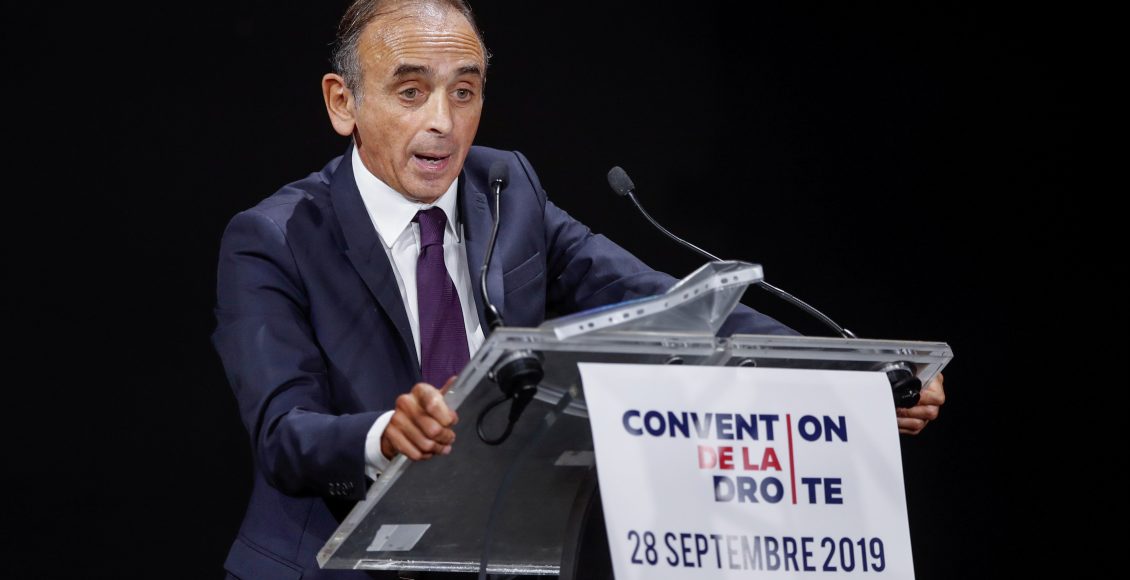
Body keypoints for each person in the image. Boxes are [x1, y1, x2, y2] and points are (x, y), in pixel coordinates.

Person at [212, 0, 946, 577]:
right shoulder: (273, 238)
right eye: (411, 91)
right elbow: (284, 434)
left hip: (493, 555)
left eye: (464, 92)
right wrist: (386, 435)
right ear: (343, 102)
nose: (443, 122)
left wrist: (851, 375)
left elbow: (670, 310)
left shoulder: (507, 191)